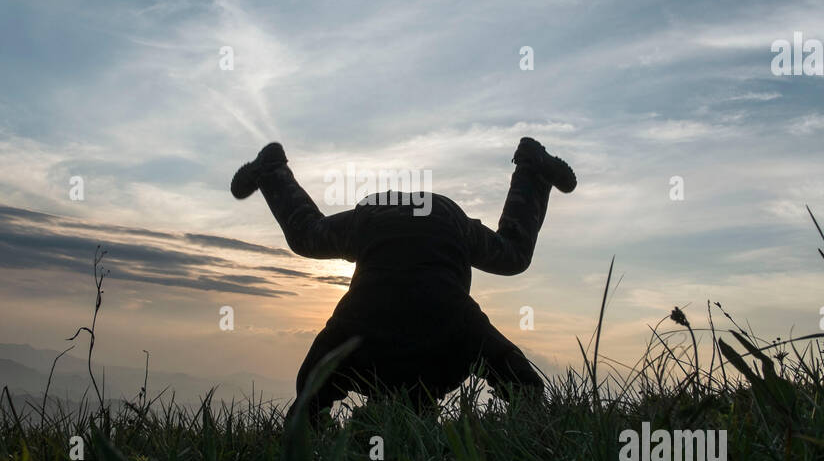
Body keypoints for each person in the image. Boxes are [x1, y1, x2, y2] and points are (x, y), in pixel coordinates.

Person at [230, 137, 576, 427]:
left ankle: (531, 169)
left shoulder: (461, 335)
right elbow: (307, 398)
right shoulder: (351, 343)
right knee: (307, 236)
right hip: (392, 217)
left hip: (439, 218)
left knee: (513, 255)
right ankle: (273, 171)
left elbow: (525, 386)